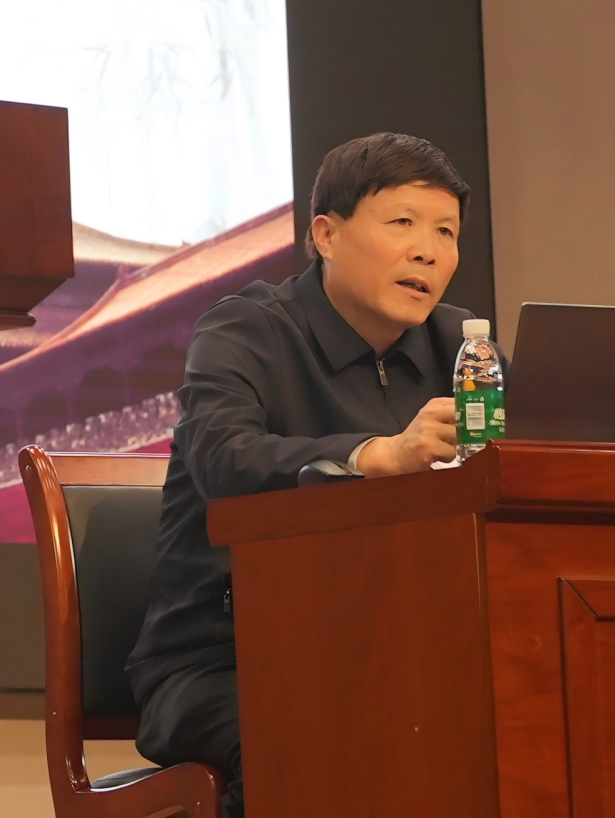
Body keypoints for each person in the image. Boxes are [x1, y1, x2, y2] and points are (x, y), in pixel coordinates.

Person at [126, 132, 479, 818]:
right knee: (313, 735)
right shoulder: (245, 330)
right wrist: (377, 456)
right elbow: (224, 459)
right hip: (225, 660)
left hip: (395, 654)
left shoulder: (463, 348)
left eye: (446, 232)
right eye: (403, 222)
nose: (428, 251)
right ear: (326, 234)